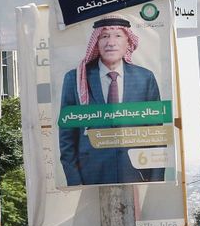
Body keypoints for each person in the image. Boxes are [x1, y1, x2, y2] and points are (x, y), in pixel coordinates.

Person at [59, 17, 164, 186]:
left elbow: (156, 135)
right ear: (96, 42)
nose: (111, 43)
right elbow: (67, 140)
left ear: (128, 42)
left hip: (136, 175)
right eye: (105, 36)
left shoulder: (145, 78)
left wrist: (156, 181)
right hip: (90, 178)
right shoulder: (75, 78)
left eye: (118, 36)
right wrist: (76, 183)